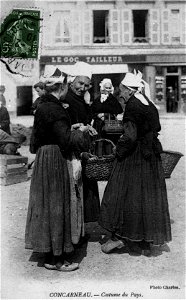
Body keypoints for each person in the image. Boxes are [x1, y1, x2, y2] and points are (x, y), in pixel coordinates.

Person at [99, 71, 172, 256]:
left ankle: (119, 237)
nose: (120, 94)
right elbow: (155, 128)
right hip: (150, 157)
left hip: (136, 157)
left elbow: (130, 136)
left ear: (129, 90)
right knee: (146, 198)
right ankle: (145, 240)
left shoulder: (132, 105)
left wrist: (119, 151)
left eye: (122, 91)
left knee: (123, 194)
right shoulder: (148, 102)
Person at [25, 69, 86, 271]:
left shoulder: (42, 106)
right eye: (67, 85)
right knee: (58, 205)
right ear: (62, 87)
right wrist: (80, 132)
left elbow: (33, 143)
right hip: (55, 159)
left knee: (46, 205)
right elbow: (66, 141)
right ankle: (59, 259)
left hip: (43, 157)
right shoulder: (57, 109)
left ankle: (49, 254)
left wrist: (68, 128)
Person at [65, 61, 100, 223]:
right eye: (80, 83)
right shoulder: (66, 98)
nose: (83, 88)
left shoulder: (81, 100)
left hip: (82, 146)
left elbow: (85, 119)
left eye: (87, 85)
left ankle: (84, 223)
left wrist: (87, 126)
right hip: (71, 148)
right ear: (72, 80)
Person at [91, 78, 123, 147]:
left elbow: (118, 111)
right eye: (106, 88)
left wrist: (105, 115)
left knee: (109, 143)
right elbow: (92, 112)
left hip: (109, 125)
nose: (108, 90)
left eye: (109, 88)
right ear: (102, 88)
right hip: (98, 126)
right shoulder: (97, 99)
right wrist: (97, 115)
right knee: (98, 143)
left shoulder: (113, 100)